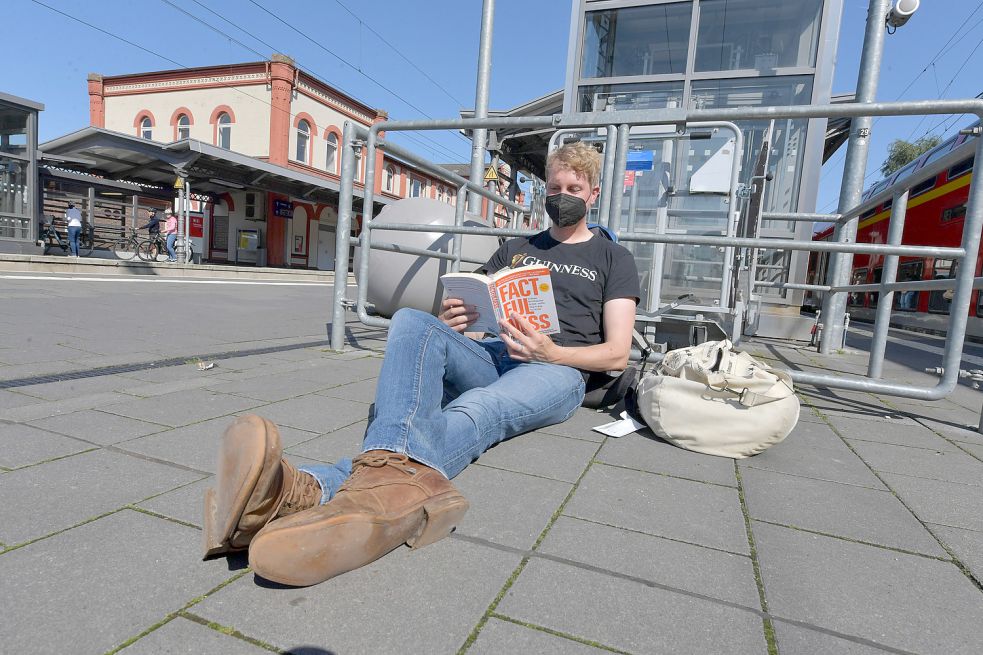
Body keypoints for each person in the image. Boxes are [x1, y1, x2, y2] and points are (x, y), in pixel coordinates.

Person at [202, 141, 641, 586]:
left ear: (593, 194)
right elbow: (478, 306)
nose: (561, 196)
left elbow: (617, 351)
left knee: (479, 408)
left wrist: (553, 353)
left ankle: (307, 490)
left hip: (558, 369)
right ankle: (375, 497)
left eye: (573, 187)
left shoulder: (612, 258)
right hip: (495, 352)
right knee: (414, 322)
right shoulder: (517, 248)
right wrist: (459, 322)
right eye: (554, 186)